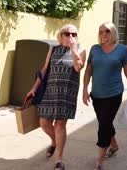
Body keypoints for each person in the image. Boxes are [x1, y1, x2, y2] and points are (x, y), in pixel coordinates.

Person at [25, 24, 86, 170]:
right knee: (44, 122)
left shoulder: (81, 50)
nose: (70, 37)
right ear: (61, 36)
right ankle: (54, 141)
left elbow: (78, 67)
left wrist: (73, 49)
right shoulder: (53, 49)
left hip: (66, 93)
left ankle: (59, 159)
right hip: (49, 91)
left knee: (60, 124)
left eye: (73, 34)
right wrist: (33, 89)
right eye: (67, 34)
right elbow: (45, 70)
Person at [82, 22, 127, 170]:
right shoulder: (94, 49)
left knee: (103, 126)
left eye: (107, 31)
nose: (104, 34)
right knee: (105, 121)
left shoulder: (122, 50)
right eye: (101, 32)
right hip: (96, 94)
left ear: (113, 32)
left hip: (114, 94)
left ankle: (99, 161)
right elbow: (88, 70)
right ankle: (114, 145)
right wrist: (84, 89)